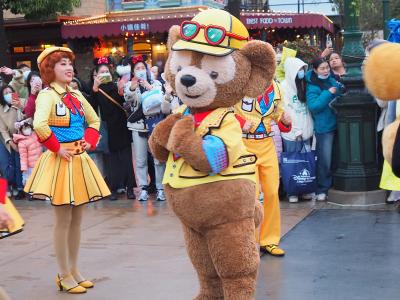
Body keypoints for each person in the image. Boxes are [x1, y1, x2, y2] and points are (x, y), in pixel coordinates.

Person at [24, 47, 110, 294]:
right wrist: (55, 148)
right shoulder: (47, 95)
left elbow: (94, 121)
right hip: (60, 160)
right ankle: (63, 274)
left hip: (79, 158)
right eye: (61, 64)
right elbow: (39, 124)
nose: (68, 67)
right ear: (50, 70)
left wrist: (89, 141)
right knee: (63, 220)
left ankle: (74, 270)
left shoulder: (77, 95)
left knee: (77, 220)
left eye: (69, 63)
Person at [235, 81, 292, 257]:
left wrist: (285, 121)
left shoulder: (276, 87)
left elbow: (278, 113)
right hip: (245, 144)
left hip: (266, 143)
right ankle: (248, 241)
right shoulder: (240, 83)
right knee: (250, 195)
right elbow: (226, 110)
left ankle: (269, 240)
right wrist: (240, 121)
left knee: (272, 193)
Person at [92, 57, 136, 200]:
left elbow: (126, 103)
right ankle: (114, 188)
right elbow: (91, 108)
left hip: (122, 127)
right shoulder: (96, 90)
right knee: (112, 161)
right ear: (96, 75)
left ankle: (130, 188)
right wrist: (95, 88)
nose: (105, 74)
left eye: (107, 72)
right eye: (102, 72)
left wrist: (122, 89)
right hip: (108, 128)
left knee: (126, 159)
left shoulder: (118, 85)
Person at [124, 54, 165, 201]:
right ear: (133, 72)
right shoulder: (130, 85)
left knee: (158, 159)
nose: (140, 70)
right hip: (138, 126)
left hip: (154, 125)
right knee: (140, 160)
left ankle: (160, 188)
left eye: (142, 68)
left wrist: (148, 86)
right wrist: (134, 86)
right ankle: (143, 188)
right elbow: (127, 98)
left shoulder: (156, 83)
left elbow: (161, 98)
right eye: (137, 68)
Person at [306, 57, 344, 201]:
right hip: (324, 128)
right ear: (315, 70)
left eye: (327, 67)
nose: (326, 70)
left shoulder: (332, 79)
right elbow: (314, 106)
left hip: (337, 123)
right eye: (322, 68)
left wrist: (338, 89)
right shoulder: (312, 85)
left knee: (336, 157)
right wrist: (328, 92)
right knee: (325, 160)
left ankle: (333, 185)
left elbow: (338, 94)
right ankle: (322, 189)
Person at [281, 57, 314, 203]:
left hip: (306, 129)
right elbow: (284, 110)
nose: (301, 72)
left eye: (303, 69)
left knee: (305, 161)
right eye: (299, 70)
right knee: (292, 162)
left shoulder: (304, 84)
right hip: (291, 132)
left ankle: (305, 189)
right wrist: (294, 129)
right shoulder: (283, 87)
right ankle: (292, 191)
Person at [0, 85, 25, 199]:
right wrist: (10, 142)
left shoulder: (20, 103)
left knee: (18, 164)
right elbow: (2, 129)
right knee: (5, 165)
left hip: (21, 138)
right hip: (5, 139)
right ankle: (6, 187)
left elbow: (27, 117)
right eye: (5, 93)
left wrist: (19, 107)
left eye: (10, 92)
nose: (8, 94)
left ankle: (17, 186)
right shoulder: (0, 108)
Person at [13, 121, 42, 185]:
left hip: (40, 163)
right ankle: (31, 193)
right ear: (21, 130)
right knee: (32, 181)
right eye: (24, 129)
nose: (27, 130)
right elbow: (23, 157)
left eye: (28, 127)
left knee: (40, 180)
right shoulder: (22, 142)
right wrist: (24, 168)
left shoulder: (35, 134)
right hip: (31, 167)